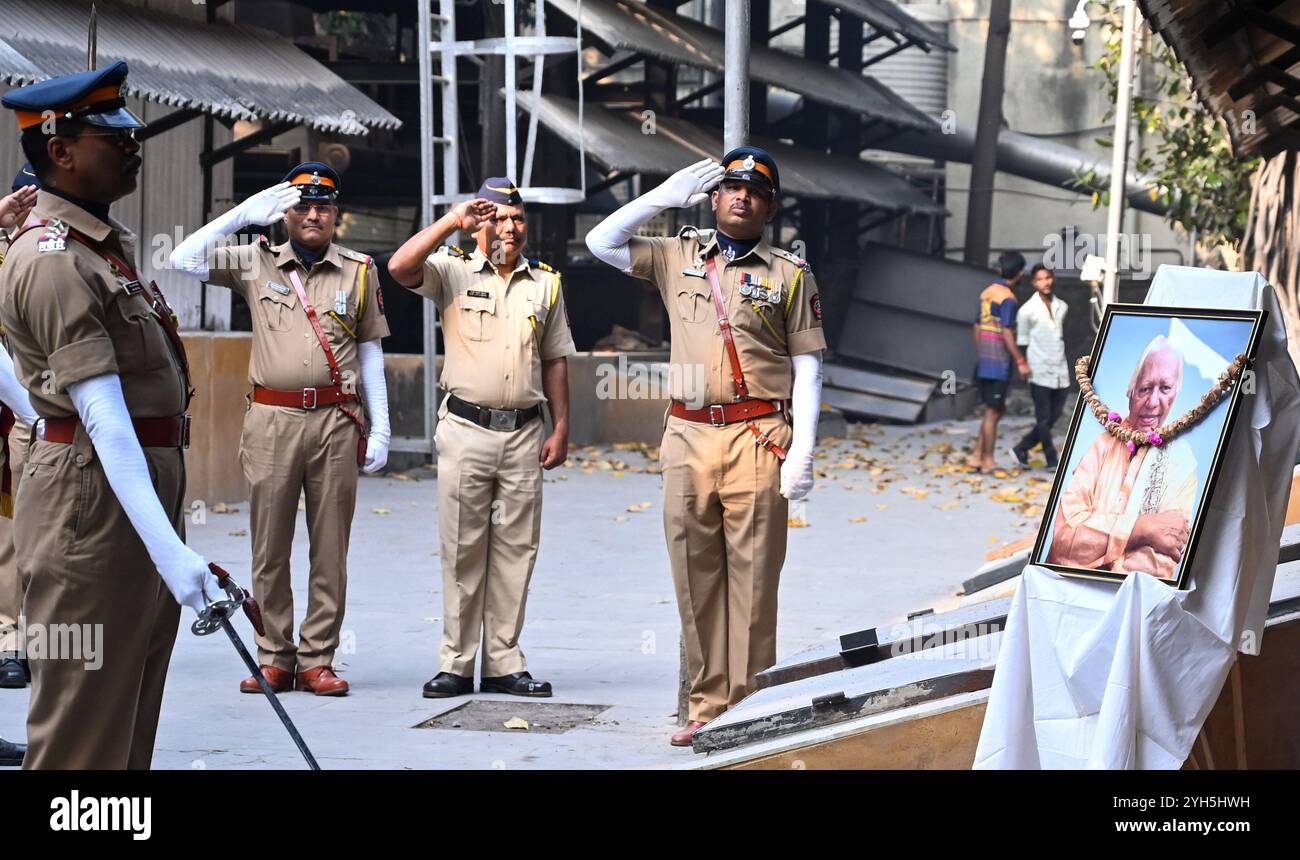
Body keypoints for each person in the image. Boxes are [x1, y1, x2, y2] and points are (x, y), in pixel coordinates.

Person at [0, 60, 224, 769]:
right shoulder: (54, 259)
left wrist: (168, 545)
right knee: (82, 736)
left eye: (129, 135)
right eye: (111, 139)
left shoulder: (104, 246)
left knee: (127, 722)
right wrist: (173, 554)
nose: (132, 148)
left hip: (133, 494)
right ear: (59, 151)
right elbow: (104, 418)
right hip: (89, 502)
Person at [585, 150, 826, 746]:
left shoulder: (791, 274)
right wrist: (663, 195)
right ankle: (707, 702)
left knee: (754, 577)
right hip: (687, 434)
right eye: (731, 186)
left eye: (756, 191)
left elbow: (808, 367)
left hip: (758, 435)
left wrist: (804, 453)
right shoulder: (676, 255)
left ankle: (748, 702)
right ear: (713, 198)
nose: (742, 196)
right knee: (694, 574)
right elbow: (599, 241)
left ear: (769, 208)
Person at [168, 162, 391, 697]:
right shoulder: (255, 261)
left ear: (336, 214)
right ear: (284, 214)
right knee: (269, 545)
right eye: (302, 206)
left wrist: (380, 429)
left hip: (337, 421)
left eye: (323, 206)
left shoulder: (360, 270)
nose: (313, 214)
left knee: (330, 546)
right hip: (272, 420)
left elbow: (370, 352)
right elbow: (181, 258)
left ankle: (317, 660)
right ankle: (275, 655)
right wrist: (242, 215)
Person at [387, 178, 574, 699]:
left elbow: (556, 358)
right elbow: (400, 268)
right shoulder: (451, 269)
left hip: (523, 435)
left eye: (518, 219)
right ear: (480, 224)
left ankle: (502, 663)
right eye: (499, 219)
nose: (510, 228)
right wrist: (452, 220)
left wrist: (561, 426)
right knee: (462, 549)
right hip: (466, 430)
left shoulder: (547, 284)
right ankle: (455, 662)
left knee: (517, 551)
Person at [1046, 335, 1197, 580]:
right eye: (1145, 388)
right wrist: (1141, 528)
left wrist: (1097, 536)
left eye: (1165, 389)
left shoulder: (1181, 460)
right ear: (1130, 391)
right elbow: (1065, 541)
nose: (1153, 402)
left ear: (1176, 394)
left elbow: (1159, 563)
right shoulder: (1102, 445)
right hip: (1066, 586)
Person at [0, 169, 39, 689]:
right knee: (12, 537)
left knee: (55, 539)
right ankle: (11, 640)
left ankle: (50, 639)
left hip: (74, 414)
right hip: (20, 419)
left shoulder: (79, 252)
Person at [971, 250, 1029, 473]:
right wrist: (1020, 360)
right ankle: (988, 461)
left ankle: (976, 457)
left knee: (993, 409)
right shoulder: (1008, 298)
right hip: (998, 363)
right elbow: (1007, 332)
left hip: (984, 359)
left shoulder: (986, 293)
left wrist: (982, 352)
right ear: (1020, 272)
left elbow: (976, 325)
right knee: (994, 412)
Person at [1011, 263, 1070, 470]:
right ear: (1034, 283)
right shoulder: (1027, 311)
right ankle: (1051, 458)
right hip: (1038, 368)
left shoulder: (1062, 306)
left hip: (1060, 367)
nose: (1046, 282)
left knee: (1053, 416)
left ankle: (1021, 448)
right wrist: (1023, 365)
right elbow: (1022, 341)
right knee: (1043, 417)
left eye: (1048, 277)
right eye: (1040, 279)